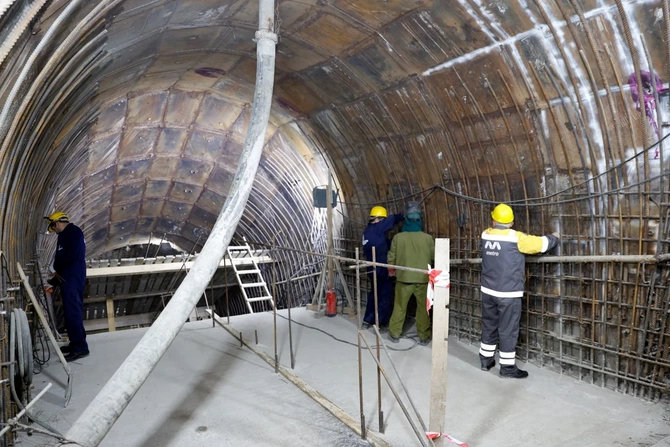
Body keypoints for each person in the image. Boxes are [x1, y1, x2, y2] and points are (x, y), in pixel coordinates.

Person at [479, 203, 559, 379]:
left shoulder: (485, 234)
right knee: (508, 329)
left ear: (493, 220)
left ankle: (485, 360)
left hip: (488, 291)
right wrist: (555, 237)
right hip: (508, 293)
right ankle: (507, 368)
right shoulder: (516, 238)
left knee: (489, 324)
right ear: (512, 222)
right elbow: (541, 244)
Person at [387, 202, 434, 345]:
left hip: (404, 279)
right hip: (423, 279)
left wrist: (392, 271)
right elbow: (434, 257)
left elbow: (391, 258)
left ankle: (394, 334)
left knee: (400, 307)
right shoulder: (428, 239)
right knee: (423, 309)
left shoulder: (398, 238)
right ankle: (423, 336)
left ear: (406, 219)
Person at [45, 211, 89, 362]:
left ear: (57, 223)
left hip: (73, 277)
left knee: (73, 311)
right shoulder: (67, 234)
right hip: (69, 277)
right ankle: (75, 342)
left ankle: (80, 348)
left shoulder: (73, 232)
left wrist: (56, 267)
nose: (54, 231)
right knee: (71, 311)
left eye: (53, 227)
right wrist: (53, 281)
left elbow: (70, 256)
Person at [361, 206, 403, 329]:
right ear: (378, 219)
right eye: (382, 220)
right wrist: (402, 216)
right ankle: (381, 322)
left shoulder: (367, 231)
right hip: (381, 268)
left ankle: (368, 319)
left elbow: (383, 244)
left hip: (371, 267)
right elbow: (392, 219)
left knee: (374, 293)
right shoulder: (377, 228)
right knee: (385, 294)